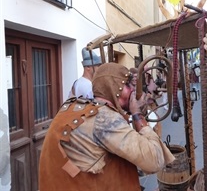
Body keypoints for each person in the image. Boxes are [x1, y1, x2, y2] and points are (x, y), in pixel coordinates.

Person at [39, 63, 175, 191]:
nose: (133, 89)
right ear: (115, 87)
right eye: (128, 85)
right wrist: (136, 114)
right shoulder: (104, 118)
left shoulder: (76, 107)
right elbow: (154, 160)